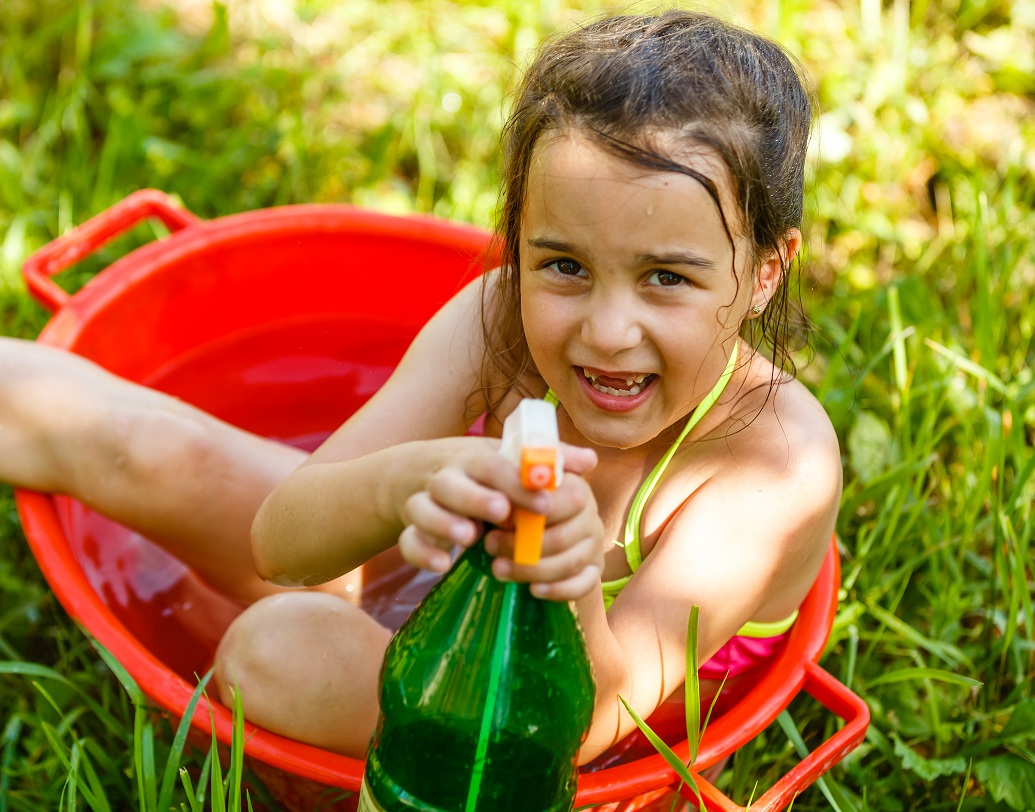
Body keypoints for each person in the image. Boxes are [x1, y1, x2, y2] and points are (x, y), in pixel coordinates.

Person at [0, 9, 840, 768]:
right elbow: (284, 545)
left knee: (275, 654)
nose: (606, 329)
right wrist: (407, 482)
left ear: (764, 272)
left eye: (665, 277)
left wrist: (569, 576)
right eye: (563, 265)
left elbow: (581, 729)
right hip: (432, 597)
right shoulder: (498, 315)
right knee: (140, 444)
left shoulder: (770, 470)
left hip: (542, 729)